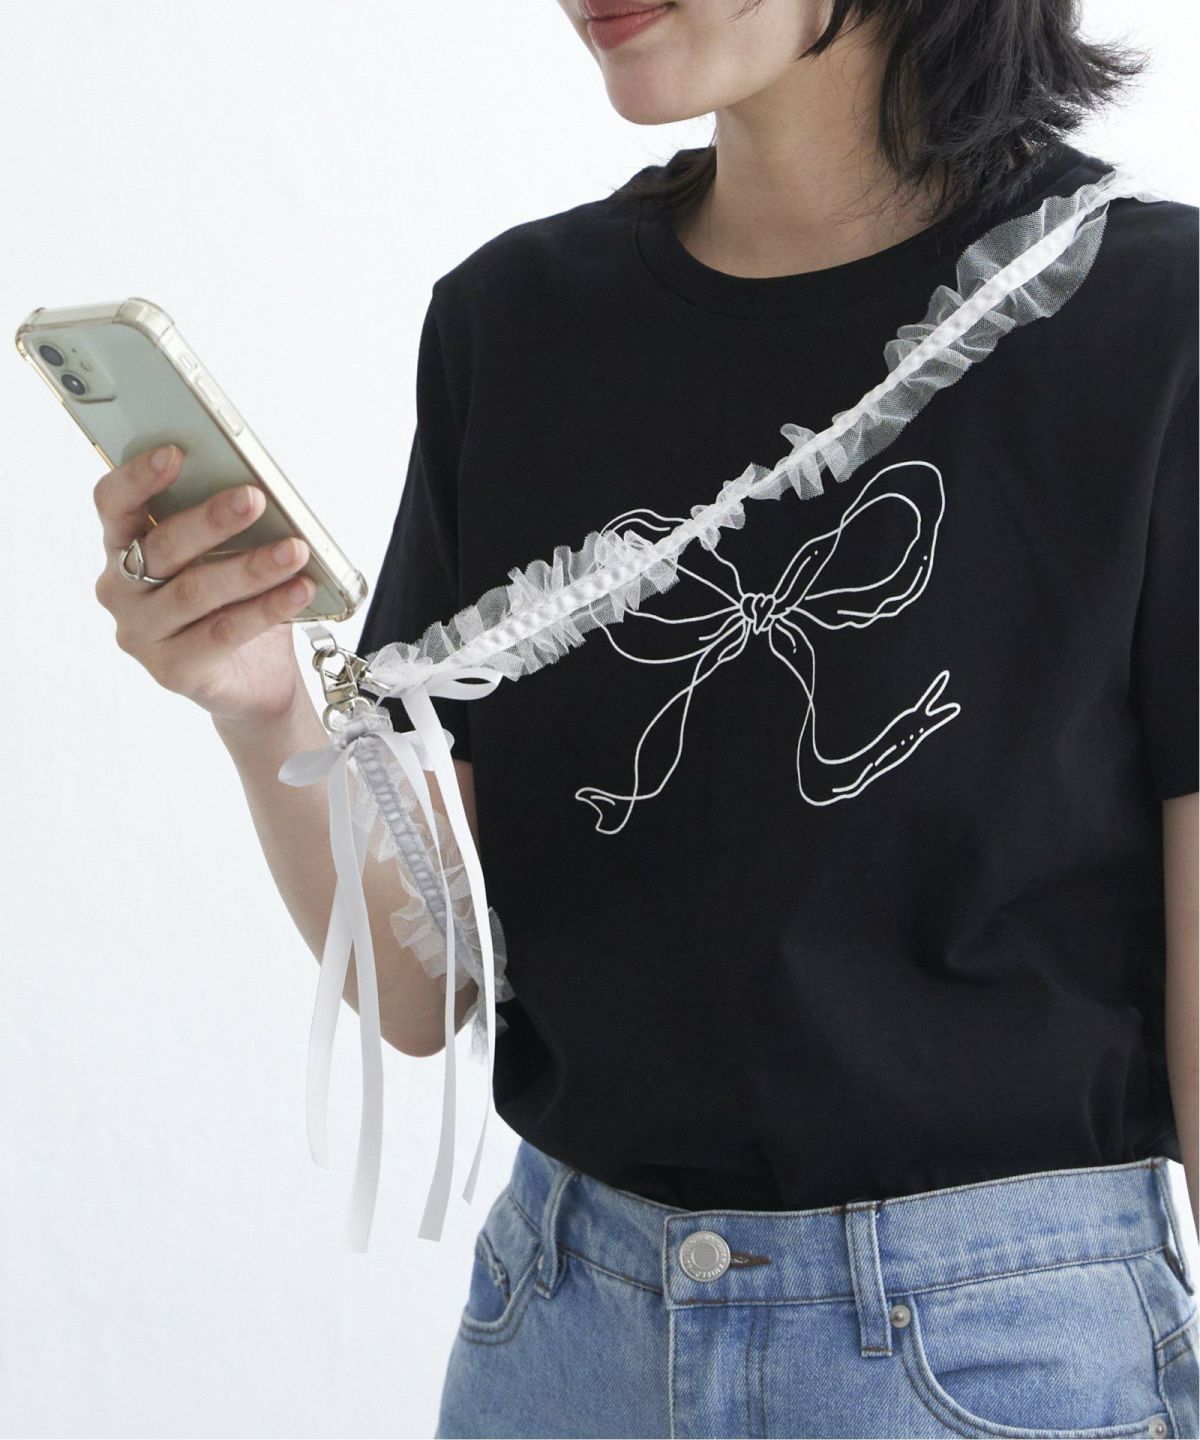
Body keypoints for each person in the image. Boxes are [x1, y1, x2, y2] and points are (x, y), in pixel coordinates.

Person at [92, 1, 1198, 1435]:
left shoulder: (1153, 322)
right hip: (560, 1331)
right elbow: (426, 989)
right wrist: (258, 707)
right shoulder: (515, 320)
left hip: (994, 1358)